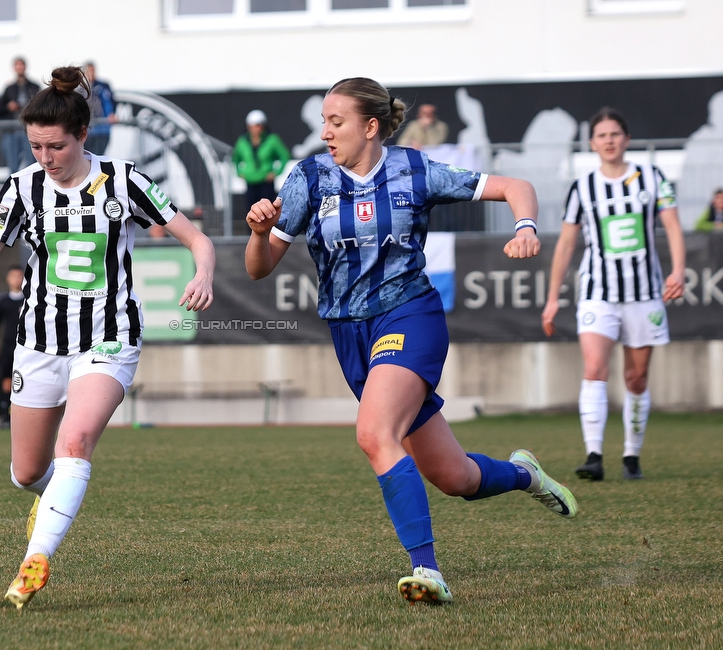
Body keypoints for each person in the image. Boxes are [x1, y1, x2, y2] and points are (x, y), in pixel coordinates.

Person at [0, 65, 215, 610]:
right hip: (38, 342)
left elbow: (196, 239)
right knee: (27, 471)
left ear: (83, 136)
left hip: (109, 336)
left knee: (75, 443)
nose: (45, 157)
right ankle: (58, 493)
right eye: (35, 146)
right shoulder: (20, 189)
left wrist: (203, 272)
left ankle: (36, 559)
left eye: (55, 146)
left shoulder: (123, 180)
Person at [244, 77, 577, 605]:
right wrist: (261, 234)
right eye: (323, 122)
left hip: (409, 314)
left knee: (375, 434)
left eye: (337, 122)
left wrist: (527, 225)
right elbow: (258, 271)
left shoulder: (415, 169)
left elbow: (515, 186)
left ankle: (428, 570)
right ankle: (524, 474)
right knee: (455, 476)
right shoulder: (308, 177)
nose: (325, 132)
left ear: (370, 126)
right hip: (348, 334)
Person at [541, 108, 686, 482]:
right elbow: (567, 243)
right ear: (592, 144)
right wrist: (553, 297)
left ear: (627, 138)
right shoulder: (582, 187)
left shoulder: (652, 178)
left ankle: (631, 455)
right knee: (594, 370)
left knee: (636, 379)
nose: (609, 140)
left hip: (644, 294)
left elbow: (672, 225)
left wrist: (677, 270)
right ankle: (593, 455)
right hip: (597, 293)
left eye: (615, 134)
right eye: (602, 135)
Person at [0, 265, 25, 429]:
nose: (17, 280)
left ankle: (24, 418)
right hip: (8, 346)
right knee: (7, 381)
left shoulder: (29, 299)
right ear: (8, 279)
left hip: (26, 346)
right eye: (14, 276)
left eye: (20, 276)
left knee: (26, 381)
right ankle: (5, 417)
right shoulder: (2, 300)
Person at [232, 109, 291, 208]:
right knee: (251, 210)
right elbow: (235, 158)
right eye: (252, 126)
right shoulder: (242, 141)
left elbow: (284, 155)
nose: (255, 129)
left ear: (263, 126)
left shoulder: (272, 140)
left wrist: (276, 172)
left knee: (268, 210)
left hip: (266, 181)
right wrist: (239, 171)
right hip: (250, 181)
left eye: (258, 125)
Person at [0, 56, 41, 174]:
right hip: (11, 131)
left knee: (32, 164)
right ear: (14, 68)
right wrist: (9, 106)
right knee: (13, 166)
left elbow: (41, 106)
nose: (20, 68)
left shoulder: (34, 86)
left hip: (29, 131)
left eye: (21, 65)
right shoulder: (9, 88)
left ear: (25, 67)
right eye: (17, 65)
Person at [83, 61, 117, 155]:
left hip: (102, 129)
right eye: (88, 71)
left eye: (92, 71)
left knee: (99, 155)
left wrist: (112, 114)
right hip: (87, 131)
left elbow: (110, 102)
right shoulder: (80, 88)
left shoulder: (103, 86)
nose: (91, 73)